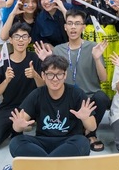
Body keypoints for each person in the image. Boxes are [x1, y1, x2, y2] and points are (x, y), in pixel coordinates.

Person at [35, 9, 110, 152]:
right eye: (70, 23)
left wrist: (96, 58)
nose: (73, 27)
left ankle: (91, 134)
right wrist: (46, 60)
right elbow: (49, 81)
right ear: (65, 27)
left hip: (89, 98)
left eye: (77, 23)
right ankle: (77, 132)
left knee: (102, 97)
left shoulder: (93, 47)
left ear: (83, 27)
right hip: (67, 98)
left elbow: (103, 78)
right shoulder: (58, 50)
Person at [8, 54, 97, 158]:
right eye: (50, 74)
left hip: (68, 142)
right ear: (43, 75)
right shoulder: (37, 94)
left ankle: (44, 163)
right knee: (16, 142)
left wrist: (85, 118)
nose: (55, 79)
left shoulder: (76, 94)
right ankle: (54, 163)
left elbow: (92, 127)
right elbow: (17, 126)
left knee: (83, 142)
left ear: (65, 75)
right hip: (42, 142)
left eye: (59, 74)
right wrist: (18, 125)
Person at [0, 22, 44, 151]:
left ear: (29, 40)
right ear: (10, 40)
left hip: (31, 108)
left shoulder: (35, 59)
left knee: (45, 138)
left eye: (24, 36)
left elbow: (44, 88)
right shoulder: (4, 62)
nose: (20, 40)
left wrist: (35, 75)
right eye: (17, 36)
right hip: (8, 109)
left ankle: (19, 128)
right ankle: (13, 129)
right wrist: (6, 80)